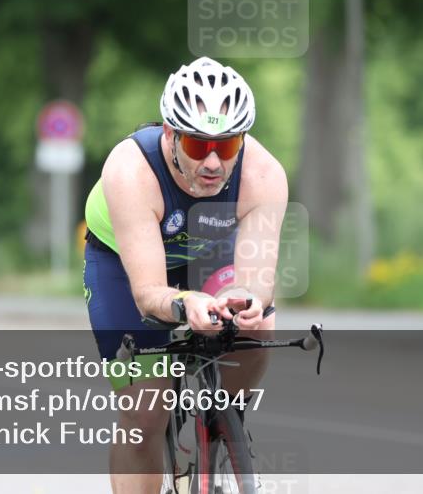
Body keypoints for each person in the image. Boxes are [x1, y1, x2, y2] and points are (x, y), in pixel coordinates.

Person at [82, 56, 287, 493]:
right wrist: (185, 302)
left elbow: (257, 281)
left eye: (226, 147)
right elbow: (149, 292)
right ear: (169, 134)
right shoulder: (130, 170)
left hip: (207, 251)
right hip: (122, 261)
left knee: (258, 324)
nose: (213, 162)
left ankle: (225, 419)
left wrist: (247, 300)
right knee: (143, 417)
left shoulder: (264, 175)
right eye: (197, 146)